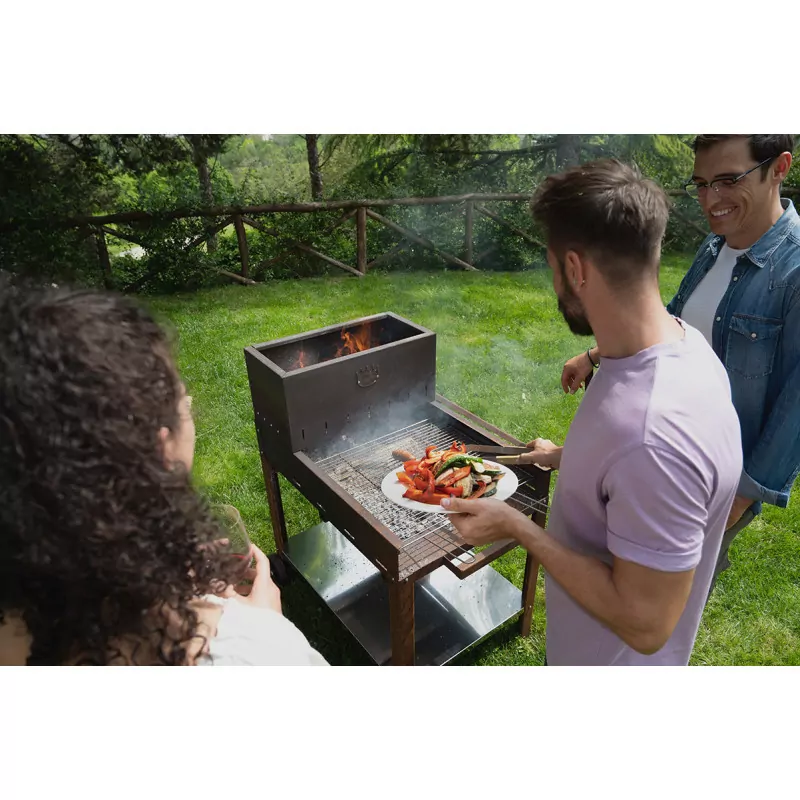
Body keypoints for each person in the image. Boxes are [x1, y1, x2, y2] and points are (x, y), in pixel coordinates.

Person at [442, 159, 742, 666]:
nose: (554, 282)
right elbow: (626, 471)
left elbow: (646, 625)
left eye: (552, 267)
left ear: (576, 269)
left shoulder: (652, 435)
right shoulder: (685, 346)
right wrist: (565, 455)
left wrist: (518, 528)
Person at [0, 281, 327, 666]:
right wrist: (268, 624)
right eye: (182, 402)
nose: (189, 405)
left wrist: (166, 574)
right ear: (158, 452)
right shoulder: (252, 653)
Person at [561, 135, 799, 596]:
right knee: (613, 582)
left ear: (780, 167)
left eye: (728, 180)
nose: (711, 199)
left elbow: (796, 409)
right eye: (701, 184)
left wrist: (738, 500)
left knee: (653, 612)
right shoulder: (714, 247)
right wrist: (594, 355)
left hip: (709, 481)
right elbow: (669, 321)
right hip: (657, 451)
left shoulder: (794, 272)